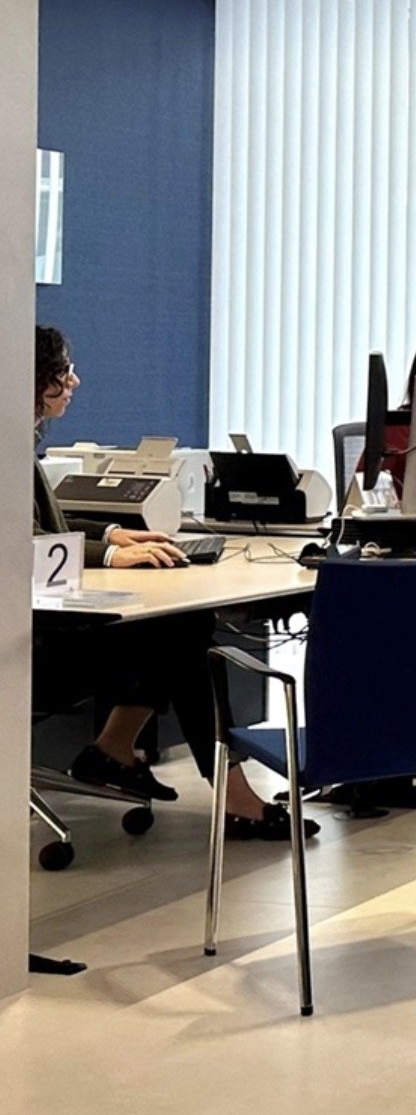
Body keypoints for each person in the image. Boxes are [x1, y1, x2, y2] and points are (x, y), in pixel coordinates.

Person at [33, 327, 308, 839]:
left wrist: (114, 533)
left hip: (44, 627)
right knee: (182, 635)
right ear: (33, 379)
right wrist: (112, 554)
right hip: (30, 650)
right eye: (63, 371)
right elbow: (22, 542)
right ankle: (229, 794)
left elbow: (46, 528)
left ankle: (115, 751)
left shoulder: (19, 440)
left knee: (183, 624)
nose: (74, 381)